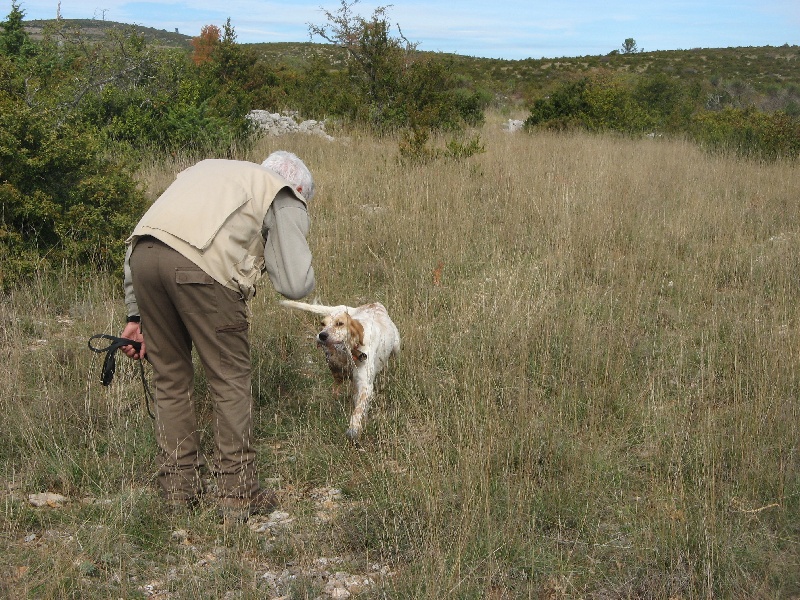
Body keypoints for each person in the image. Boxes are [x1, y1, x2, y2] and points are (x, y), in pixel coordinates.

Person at [119, 151, 316, 521]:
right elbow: (294, 283)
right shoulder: (281, 191)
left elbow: (147, 233)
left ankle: (178, 492)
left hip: (143, 261)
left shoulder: (207, 170)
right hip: (202, 271)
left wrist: (135, 315)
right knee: (229, 380)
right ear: (299, 188)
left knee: (170, 379)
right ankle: (238, 493)